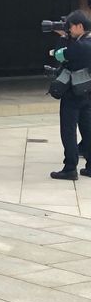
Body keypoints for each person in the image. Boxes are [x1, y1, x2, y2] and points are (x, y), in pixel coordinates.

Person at [50, 10, 91, 180]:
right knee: (88, 130)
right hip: (88, 92)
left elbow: (60, 56)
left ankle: (70, 168)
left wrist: (63, 38)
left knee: (68, 130)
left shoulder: (78, 46)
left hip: (73, 93)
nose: (69, 30)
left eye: (71, 27)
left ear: (80, 26)